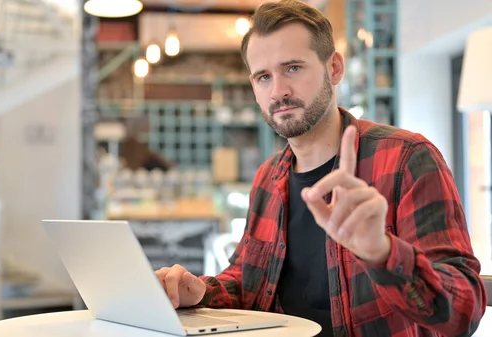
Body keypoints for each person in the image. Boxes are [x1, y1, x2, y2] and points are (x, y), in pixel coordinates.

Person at [154, 1, 488, 336]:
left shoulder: (407, 159)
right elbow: (248, 280)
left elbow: (464, 312)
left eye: (294, 68)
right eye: (264, 77)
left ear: (335, 69)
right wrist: (200, 291)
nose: (279, 90)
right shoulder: (268, 178)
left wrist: (384, 253)